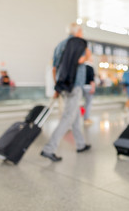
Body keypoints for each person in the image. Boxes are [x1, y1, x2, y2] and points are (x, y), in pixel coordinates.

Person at [40, 23, 92, 162]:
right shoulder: (79, 45)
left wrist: (57, 86)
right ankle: (49, 149)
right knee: (68, 117)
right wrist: (87, 55)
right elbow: (80, 61)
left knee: (74, 116)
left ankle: (80, 144)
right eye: (81, 31)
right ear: (78, 32)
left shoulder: (60, 45)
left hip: (63, 85)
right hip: (75, 86)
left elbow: (54, 68)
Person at [83, 58, 96, 125]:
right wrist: (93, 88)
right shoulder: (90, 68)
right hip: (88, 87)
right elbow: (92, 79)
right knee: (88, 104)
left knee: (81, 104)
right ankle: (86, 119)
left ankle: (82, 116)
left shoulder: (81, 67)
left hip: (80, 87)